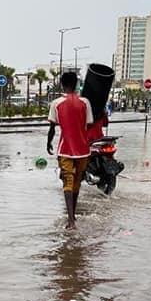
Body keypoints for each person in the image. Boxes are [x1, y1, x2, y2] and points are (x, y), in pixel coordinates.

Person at [47, 72, 94, 229]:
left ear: (62, 84)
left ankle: (71, 220)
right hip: (83, 150)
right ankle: (72, 215)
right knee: (76, 181)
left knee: (67, 180)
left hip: (65, 148)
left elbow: (52, 127)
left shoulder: (56, 103)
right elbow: (89, 125)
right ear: (76, 84)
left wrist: (48, 143)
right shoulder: (85, 102)